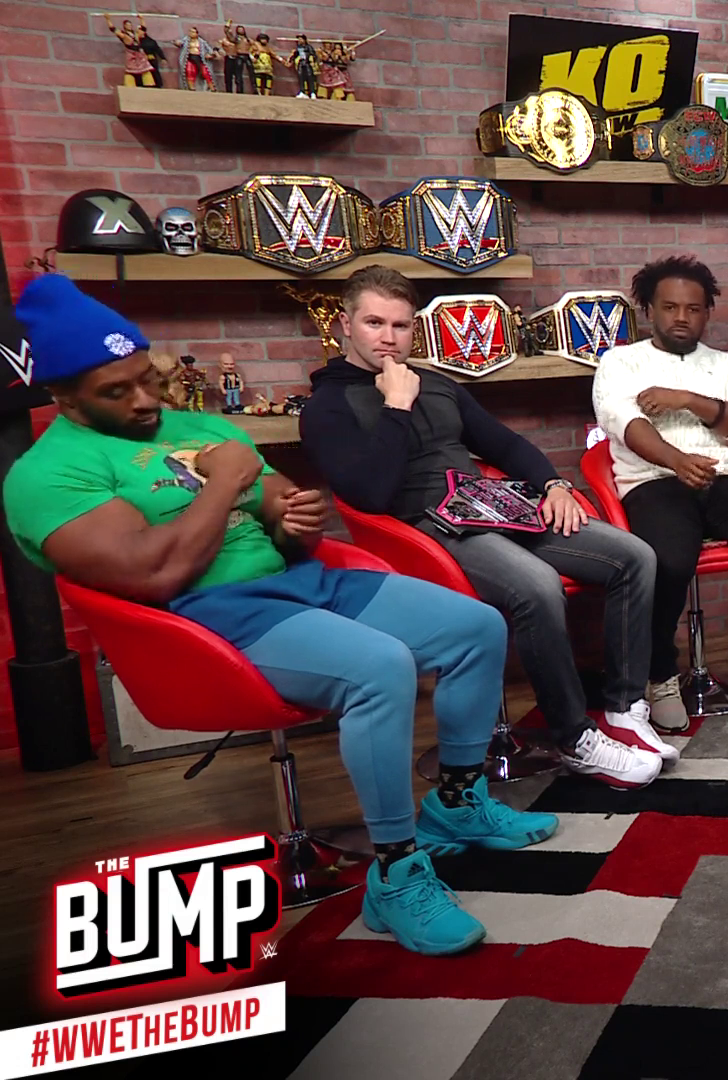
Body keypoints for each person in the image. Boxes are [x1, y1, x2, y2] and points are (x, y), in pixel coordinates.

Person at [2, 274, 551, 957]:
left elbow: (282, 507)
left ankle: (459, 802)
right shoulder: (47, 474)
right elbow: (155, 572)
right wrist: (229, 480)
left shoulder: (198, 426)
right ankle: (396, 872)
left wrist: (294, 519)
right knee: (382, 668)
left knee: (476, 626)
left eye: (147, 379)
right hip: (209, 617)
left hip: (302, 581)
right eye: (117, 392)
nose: (145, 402)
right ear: (63, 396)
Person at [301, 266, 671, 789]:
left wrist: (553, 486)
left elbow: (504, 444)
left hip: (489, 507)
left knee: (633, 556)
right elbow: (369, 494)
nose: (388, 338)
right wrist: (396, 405)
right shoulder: (327, 406)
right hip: (427, 531)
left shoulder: (436, 384)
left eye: (400, 326)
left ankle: (624, 710)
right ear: (346, 325)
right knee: (537, 585)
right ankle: (575, 739)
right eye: (374, 323)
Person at [592, 255, 728, 729]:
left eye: (693, 309)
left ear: (707, 312)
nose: (681, 317)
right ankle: (661, 673)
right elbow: (624, 422)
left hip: (722, 478)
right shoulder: (620, 362)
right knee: (669, 563)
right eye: (669, 307)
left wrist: (687, 400)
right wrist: (676, 461)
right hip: (653, 482)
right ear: (649, 309)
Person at [108, 18, 159, 88]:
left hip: (140, 55)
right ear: (124, 26)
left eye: (130, 25)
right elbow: (113, 29)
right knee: (130, 72)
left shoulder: (135, 34)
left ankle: (149, 85)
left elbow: (143, 29)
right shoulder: (123, 34)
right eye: (127, 25)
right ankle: (129, 85)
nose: (129, 26)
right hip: (131, 55)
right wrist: (108, 19)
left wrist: (141, 19)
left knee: (146, 70)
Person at [220, 22, 253, 95]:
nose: (241, 31)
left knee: (239, 75)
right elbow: (227, 33)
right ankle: (229, 91)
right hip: (231, 57)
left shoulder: (246, 40)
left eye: (242, 29)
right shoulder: (234, 39)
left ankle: (240, 90)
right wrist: (227, 26)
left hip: (239, 57)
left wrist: (253, 55)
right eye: (239, 29)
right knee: (229, 75)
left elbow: (253, 47)